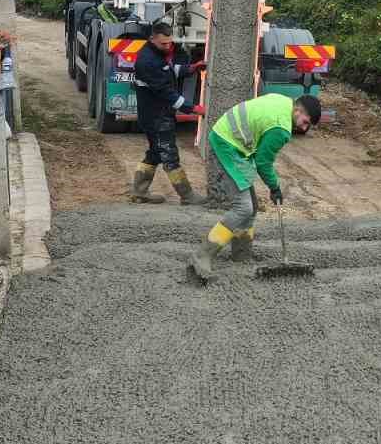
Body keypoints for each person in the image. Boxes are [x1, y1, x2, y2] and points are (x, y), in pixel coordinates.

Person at [193, 93, 323, 281]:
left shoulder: (284, 102)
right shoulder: (281, 129)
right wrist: (275, 187)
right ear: (298, 110)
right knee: (243, 207)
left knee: (251, 206)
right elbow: (263, 162)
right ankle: (203, 255)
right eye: (305, 121)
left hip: (234, 142)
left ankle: (241, 255)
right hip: (228, 144)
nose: (305, 127)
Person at [129, 20, 203, 205]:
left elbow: (169, 71)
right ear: (152, 38)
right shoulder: (147, 61)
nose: (168, 46)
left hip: (157, 114)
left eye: (170, 42)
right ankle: (187, 196)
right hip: (156, 116)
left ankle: (139, 192)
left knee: (155, 152)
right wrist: (191, 107)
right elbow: (165, 91)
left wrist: (191, 68)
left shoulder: (156, 53)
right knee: (169, 154)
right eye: (164, 43)